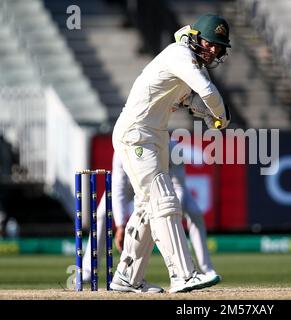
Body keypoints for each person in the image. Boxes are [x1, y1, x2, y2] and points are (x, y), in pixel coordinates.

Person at [110, 13, 231, 294]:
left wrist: (205, 113)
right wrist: (222, 117)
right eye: (211, 42)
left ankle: (127, 277)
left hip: (154, 136)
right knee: (164, 200)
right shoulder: (180, 55)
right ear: (196, 37)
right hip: (136, 134)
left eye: (219, 46)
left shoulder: (185, 66)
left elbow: (189, 100)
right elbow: (207, 91)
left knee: (146, 206)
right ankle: (182, 275)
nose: (214, 50)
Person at [81, 147, 220, 283]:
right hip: (132, 185)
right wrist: (121, 224)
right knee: (102, 213)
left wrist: (175, 213)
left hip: (164, 186)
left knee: (195, 213)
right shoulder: (123, 146)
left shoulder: (173, 148)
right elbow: (118, 188)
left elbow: (179, 186)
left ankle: (207, 269)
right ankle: (88, 270)